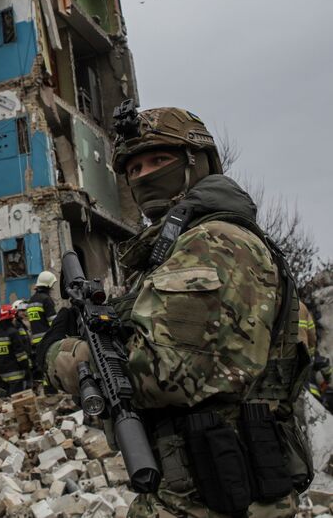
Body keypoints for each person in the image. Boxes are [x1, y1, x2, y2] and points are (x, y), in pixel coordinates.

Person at [41, 105, 311, 517]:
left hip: (219, 499)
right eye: (133, 168)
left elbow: (167, 373)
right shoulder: (183, 249)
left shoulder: (215, 242)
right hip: (201, 492)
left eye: (158, 159)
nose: (144, 174)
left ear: (197, 162)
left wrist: (61, 355)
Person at [25, 271, 58, 391]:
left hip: (37, 340)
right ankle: (54, 390)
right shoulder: (46, 299)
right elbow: (53, 322)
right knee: (51, 364)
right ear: (48, 285)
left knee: (43, 365)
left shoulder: (31, 300)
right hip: (47, 338)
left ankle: (48, 391)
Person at [0, 304, 31, 395]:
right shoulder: (13, 332)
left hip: (3, 375)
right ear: (11, 317)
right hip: (16, 374)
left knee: (10, 399)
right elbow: (20, 355)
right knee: (18, 400)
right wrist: (27, 368)